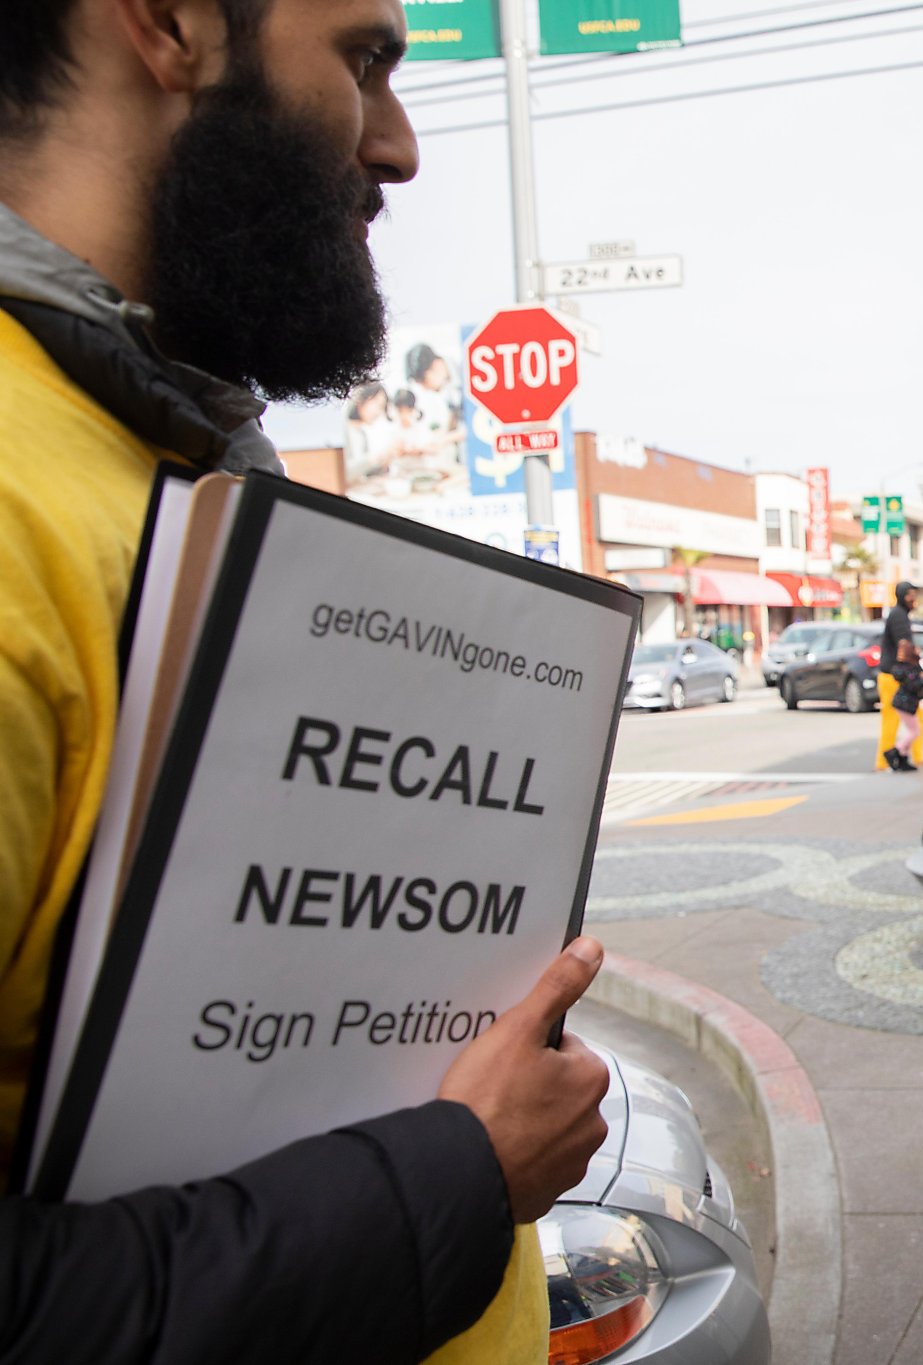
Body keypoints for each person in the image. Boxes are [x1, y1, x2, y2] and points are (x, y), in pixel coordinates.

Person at [0, 2, 611, 1361]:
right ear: (168, 24)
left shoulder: (163, 458)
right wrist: (457, 1176)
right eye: (363, 60)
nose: (396, 147)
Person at [881, 580, 923, 771]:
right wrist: (918, 672)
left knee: (901, 720)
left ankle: (907, 757)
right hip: (895, 676)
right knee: (901, 720)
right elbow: (905, 647)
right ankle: (896, 758)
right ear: (902, 596)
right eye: (910, 595)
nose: (914, 599)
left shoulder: (898, 614)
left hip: (892, 674)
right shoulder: (899, 616)